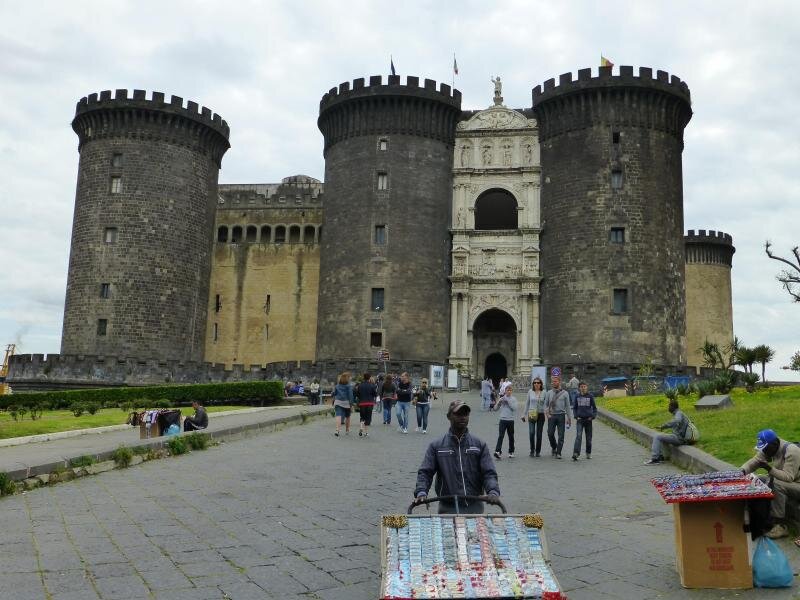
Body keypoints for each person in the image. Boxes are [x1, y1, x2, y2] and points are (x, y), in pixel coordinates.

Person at [413, 400, 502, 514]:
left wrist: (493, 491)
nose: (462, 417)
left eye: (465, 414)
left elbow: (489, 472)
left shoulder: (479, 445)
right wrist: (421, 491)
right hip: (447, 507)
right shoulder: (437, 446)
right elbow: (425, 472)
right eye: (458, 414)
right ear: (449, 416)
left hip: (475, 505)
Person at [741, 429, 800, 539]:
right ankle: (760, 518)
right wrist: (742, 471)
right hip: (788, 482)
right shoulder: (769, 448)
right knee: (759, 479)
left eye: (765, 448)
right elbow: (755, 461)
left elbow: (788, 477)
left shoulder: (792, 451)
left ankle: (780, 525)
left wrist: (769, 468)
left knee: (776, 483)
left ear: (775, 443)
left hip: (796, 483)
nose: (764, 452)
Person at [644, 399, 689, 464]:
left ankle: (655, 458)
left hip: (679, 438)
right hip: (679, 437)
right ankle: (660, 457)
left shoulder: (679, 413)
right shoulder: (679, 413)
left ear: (673, 407)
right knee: (661, 437)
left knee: (657, 436)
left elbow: (677, 421)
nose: (668, 408)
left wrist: (664, 426)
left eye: (669, 406)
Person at [544, 375, 571, 458]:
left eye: (555, 381)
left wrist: (569, 418)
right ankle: (554, 447)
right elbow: (545, 405)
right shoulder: (549, 393)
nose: (553, 383)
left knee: (561, 435)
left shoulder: (565, 393)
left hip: (561, 416)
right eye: (552, 381)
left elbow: (567, 406)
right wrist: (547, 414)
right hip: (551, 416)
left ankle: (558, 452)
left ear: (559, 382)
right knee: (550, 433)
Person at [571, 381, 597, 461]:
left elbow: (595, 409)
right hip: (580, 420)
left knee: (588, 438)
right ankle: (576, 453)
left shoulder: (590, 396)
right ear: (579, 388)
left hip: (588, 420)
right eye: (581, 386)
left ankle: (588, 453)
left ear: (587, 387)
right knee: (578, 436)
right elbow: (574, 408)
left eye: (584, 386)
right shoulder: (577, 396)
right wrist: (576, 416)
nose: (583, 388)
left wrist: (592, 416)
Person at [522, 377, 546, 457]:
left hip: (541, 414)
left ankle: (538, 451)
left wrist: (548, 413)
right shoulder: (530, 391)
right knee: (531, 433)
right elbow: (527, 403)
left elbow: (546, 404)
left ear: (541, 384)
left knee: (539, 434)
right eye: (535, 383)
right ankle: (532, 449)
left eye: (538, 383)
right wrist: (523, 414)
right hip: (532, 413)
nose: (536, 384)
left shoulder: (544, 392)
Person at [493, 384, 517, 459]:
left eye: (510, 390)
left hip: (510, 420)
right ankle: (498, 451)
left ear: (512, 391)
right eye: (507, 390)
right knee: (501, 436)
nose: (509, 392)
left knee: (511, 436)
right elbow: (495, 409)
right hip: (502, 420)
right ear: (505, 391)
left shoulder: (513, 399)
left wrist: (508, 402)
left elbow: (514, 408)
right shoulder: (502, 398)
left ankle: (511, 451)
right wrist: (498, 403)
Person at [332, 372, 355, 437]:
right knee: (347, 417)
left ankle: (337, 430)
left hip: (338, 402)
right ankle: (347, 430)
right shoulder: (349, 386)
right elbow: (350, 395)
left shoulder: (337, 386)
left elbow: (334, 393)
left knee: (338, 416)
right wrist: (351, 404)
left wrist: (333, 395)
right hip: (346, 403)